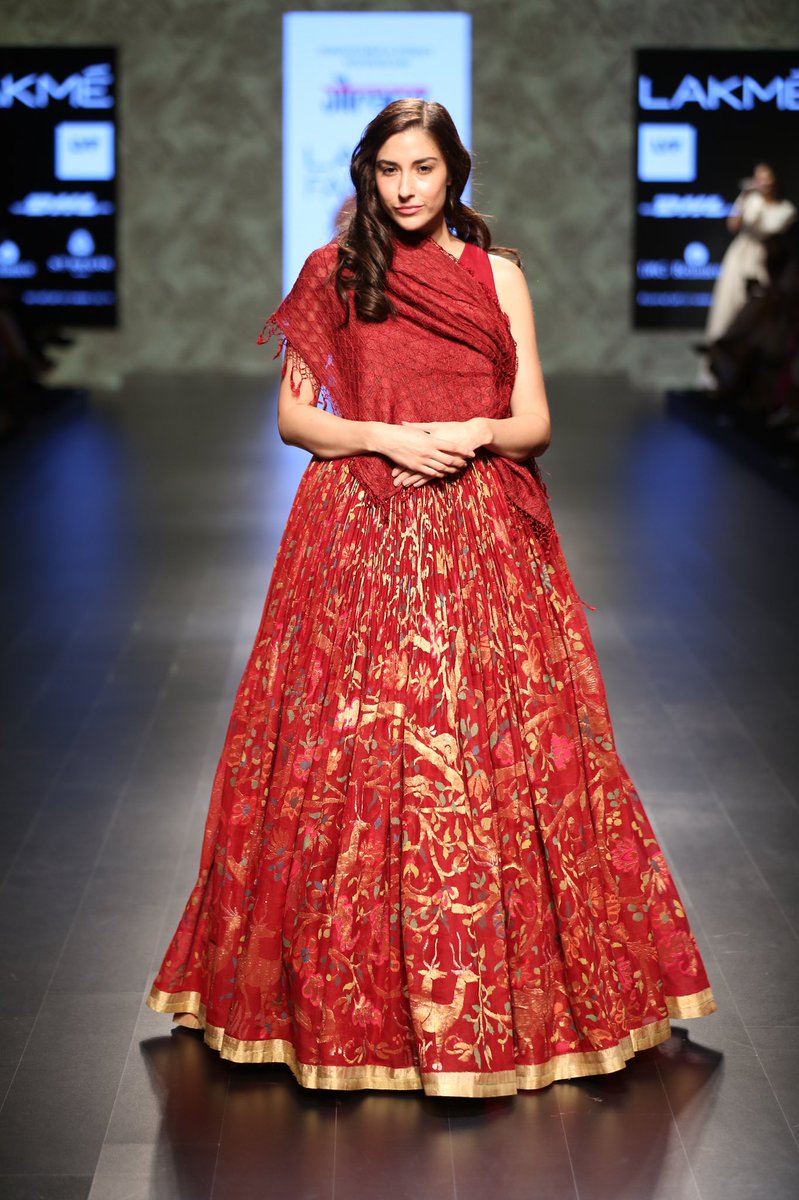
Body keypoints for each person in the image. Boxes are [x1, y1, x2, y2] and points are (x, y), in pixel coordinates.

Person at [147, 99, 717, 1097]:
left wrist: (461, 434)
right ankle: (338, 1003)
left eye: (424, 168)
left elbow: (532, 419)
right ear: (367, 176)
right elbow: (292, 417)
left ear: (455, 170)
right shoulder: (333, 273)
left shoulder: (498, 277)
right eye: (388, 171)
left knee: (492, 745)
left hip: (482, 523)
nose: (406, 188)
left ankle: (502, 997)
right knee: (353, 745)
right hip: (356, 524)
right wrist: (385, 437)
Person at [697, 163, 797, 389]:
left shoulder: (786, 210)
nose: (762, 182)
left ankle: (754, 383)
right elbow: (733, 225)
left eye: (766, 177)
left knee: (760, 313)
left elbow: (782, 238)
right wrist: (743, 199)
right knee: (729, 309)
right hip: (740, 260)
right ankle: (720, 373)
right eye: (758, 177)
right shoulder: (749, 200)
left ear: (775, 180)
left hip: (770, 262)